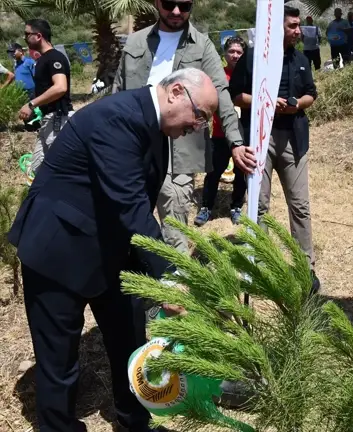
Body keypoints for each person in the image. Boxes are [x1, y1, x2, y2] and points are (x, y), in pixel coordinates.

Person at [8, 68, 219, 432]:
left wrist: (157, 273)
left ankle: (135, 420)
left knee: (129, 339)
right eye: (199, 116)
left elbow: (133, 204)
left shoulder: (153, 123)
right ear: (176, 93)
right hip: (58, 247)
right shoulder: (117, 118)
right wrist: (170, 278)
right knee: (59, 359)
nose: (197, 127)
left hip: (110, 245)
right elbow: (130, 205)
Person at [113, 0, 255, 254]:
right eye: (169, 4)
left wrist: (235, 142)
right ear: (157, 3)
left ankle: (174, 271)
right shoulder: (135, 43)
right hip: (135, 139)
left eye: (184, 5)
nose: (176, 11)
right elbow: (118, 91)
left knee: (175, 207)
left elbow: (221, 92)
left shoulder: (202, 45)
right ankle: (135, 266)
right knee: (130, 206)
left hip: (181, 142)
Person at [230, 5, 320, 293]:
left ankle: (305, 269)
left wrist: (296, 105)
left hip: (294, 138)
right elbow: (236, 95)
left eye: (298, 26)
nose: (298, 31)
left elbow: (311, 94)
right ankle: (258, 266)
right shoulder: (254, 58)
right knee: (259, 205)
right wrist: (265, 101)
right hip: (260, 140)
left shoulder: (302, 59)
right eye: (292, 26)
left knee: (301, 206)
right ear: (276, 26)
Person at [195, 36, 248, 226]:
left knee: (242, 172)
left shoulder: (248, 75)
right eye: (231, 51)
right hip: (219, 134)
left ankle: (236, 207)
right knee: (213, 172)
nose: (235, 55)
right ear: (225, 53)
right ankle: (206, 207)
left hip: (243, 135)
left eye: (239, 52)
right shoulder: (217, 76)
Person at [19, 19, 73, 175]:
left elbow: (60, 87)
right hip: (48, 120)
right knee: (38, 168)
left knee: (61, 168)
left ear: (38, 36)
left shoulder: (54, 57)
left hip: (58, 119)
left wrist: (31, 105)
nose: (24, 38)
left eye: (27, 34)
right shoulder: (42, 59)